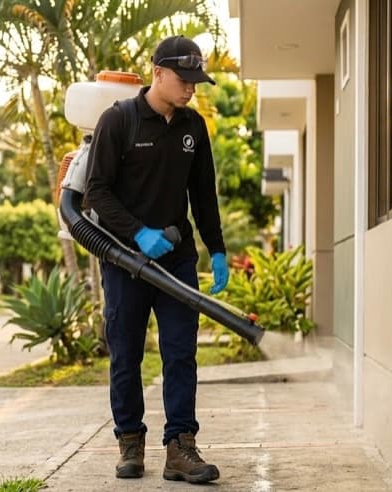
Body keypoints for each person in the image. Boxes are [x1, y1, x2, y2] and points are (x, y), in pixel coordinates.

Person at [84, 35, 229, 484]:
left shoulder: (193, 127)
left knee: (181, 353)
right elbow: (96, 192)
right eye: (183, 79)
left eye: (195, 81)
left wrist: (217, 249)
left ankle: (180, 446)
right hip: (124, 260)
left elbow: (203, 194)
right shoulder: (119, 121)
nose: (190, 88)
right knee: (126, 354)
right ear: (158, 73)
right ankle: (130, 441)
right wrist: (138, 233)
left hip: (177, 259)